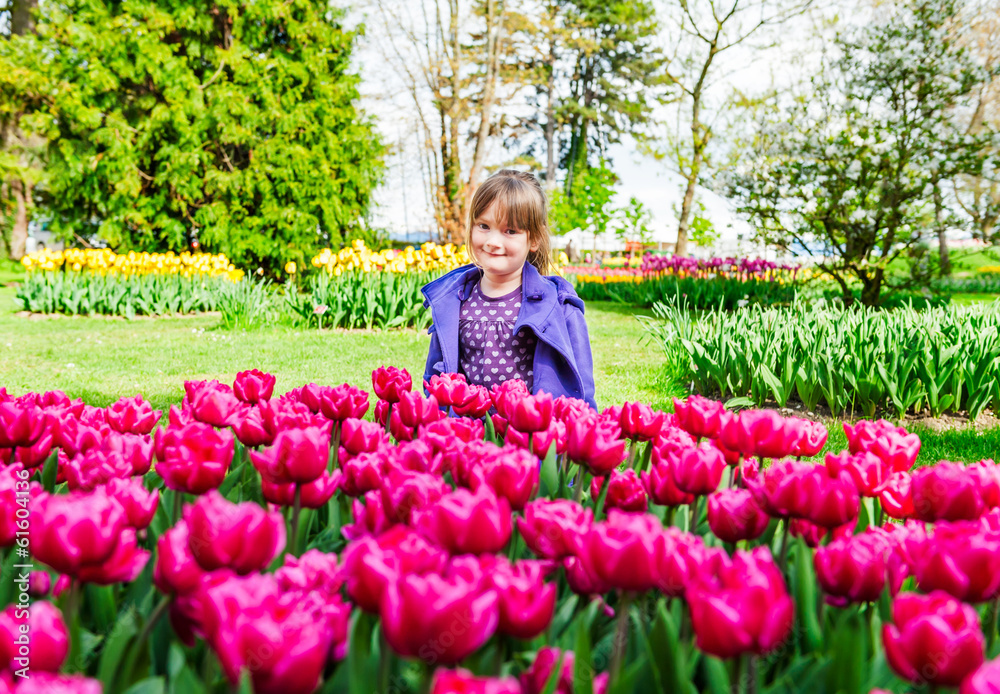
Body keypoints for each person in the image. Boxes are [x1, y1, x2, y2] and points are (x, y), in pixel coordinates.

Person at [421, 169, 597, 410]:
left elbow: (581, 387)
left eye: (510, 231)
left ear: (534, 239)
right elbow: (436, 378)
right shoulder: (454, 300)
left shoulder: (557, 306)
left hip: (525, 436)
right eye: (484, 226)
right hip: (466, 435)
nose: (493, 242)